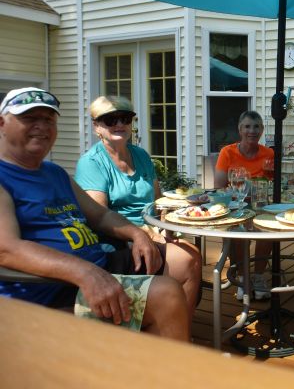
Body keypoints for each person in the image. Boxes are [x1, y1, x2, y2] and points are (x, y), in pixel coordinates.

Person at [0, 87, 197, 340]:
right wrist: (85, 273)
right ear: (3, 123)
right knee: (166, 294)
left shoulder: (54, 173)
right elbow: (6, 248)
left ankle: (163, 346)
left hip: (96, 265)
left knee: (183, 261)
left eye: (48, 119)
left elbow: (100, 215)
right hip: (50, 290)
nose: (41, 126)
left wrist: (137, 234)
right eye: (29, 118)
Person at [74, 95, 202, 316]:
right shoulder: (92, 163)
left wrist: (167, 228)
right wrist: (147, 235)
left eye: (125, 118)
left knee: (191, 253)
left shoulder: (141, 155)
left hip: (151, 231)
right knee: (189, 258)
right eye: (110, 120)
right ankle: (175, 328)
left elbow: (157, 201)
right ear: (96, 126)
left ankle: (174, 323)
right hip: (119, 240)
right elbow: (100, 217)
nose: (119, 124)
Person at [214, 110, 274, 300]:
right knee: (237, 229)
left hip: (261, 205)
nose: (252, 131)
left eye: (256, 127)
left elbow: (275, 183)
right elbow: (219, 186)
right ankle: (242, 276)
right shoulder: (227, 152)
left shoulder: (269, 153)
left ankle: (257, 276)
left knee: (268, 229)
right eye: (247, 126)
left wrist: (272, 175)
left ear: (262, 130)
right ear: (240, 130)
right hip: (236, 205)